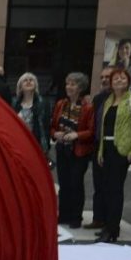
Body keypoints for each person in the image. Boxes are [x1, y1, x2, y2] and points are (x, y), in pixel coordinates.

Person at [90, 66, 131, 243]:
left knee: (115, 190)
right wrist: (100, 151)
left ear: (128, 81)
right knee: (106, 189)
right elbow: (103, 127)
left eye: (123, 78)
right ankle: (107, 226)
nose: (119, 80)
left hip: (121, 150)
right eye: (116, 78)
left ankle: (113, 229)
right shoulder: (109, 100)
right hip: (106, 148)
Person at [49, 72, 93, 229]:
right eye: (68, 84)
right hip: (62, 149)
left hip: (79, 151)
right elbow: (52, 126)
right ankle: (64, 214)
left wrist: (77, 135)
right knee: (64, 183)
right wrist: (56, 134)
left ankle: (76, 217)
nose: (69, 87)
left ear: (80, 88)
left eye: (73, 84)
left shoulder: (87, 107)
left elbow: (91, 131)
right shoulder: (61, 104)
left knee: (76, 184)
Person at [10, 72, 47, 155]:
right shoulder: (14, 103)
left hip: (35, 143)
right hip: (18, 142)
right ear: (20, 87)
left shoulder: (42, 103)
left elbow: (45, 126)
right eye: (25, 80)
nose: (28, 82)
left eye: (31, 80)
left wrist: (45, 146)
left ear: (35, 85)